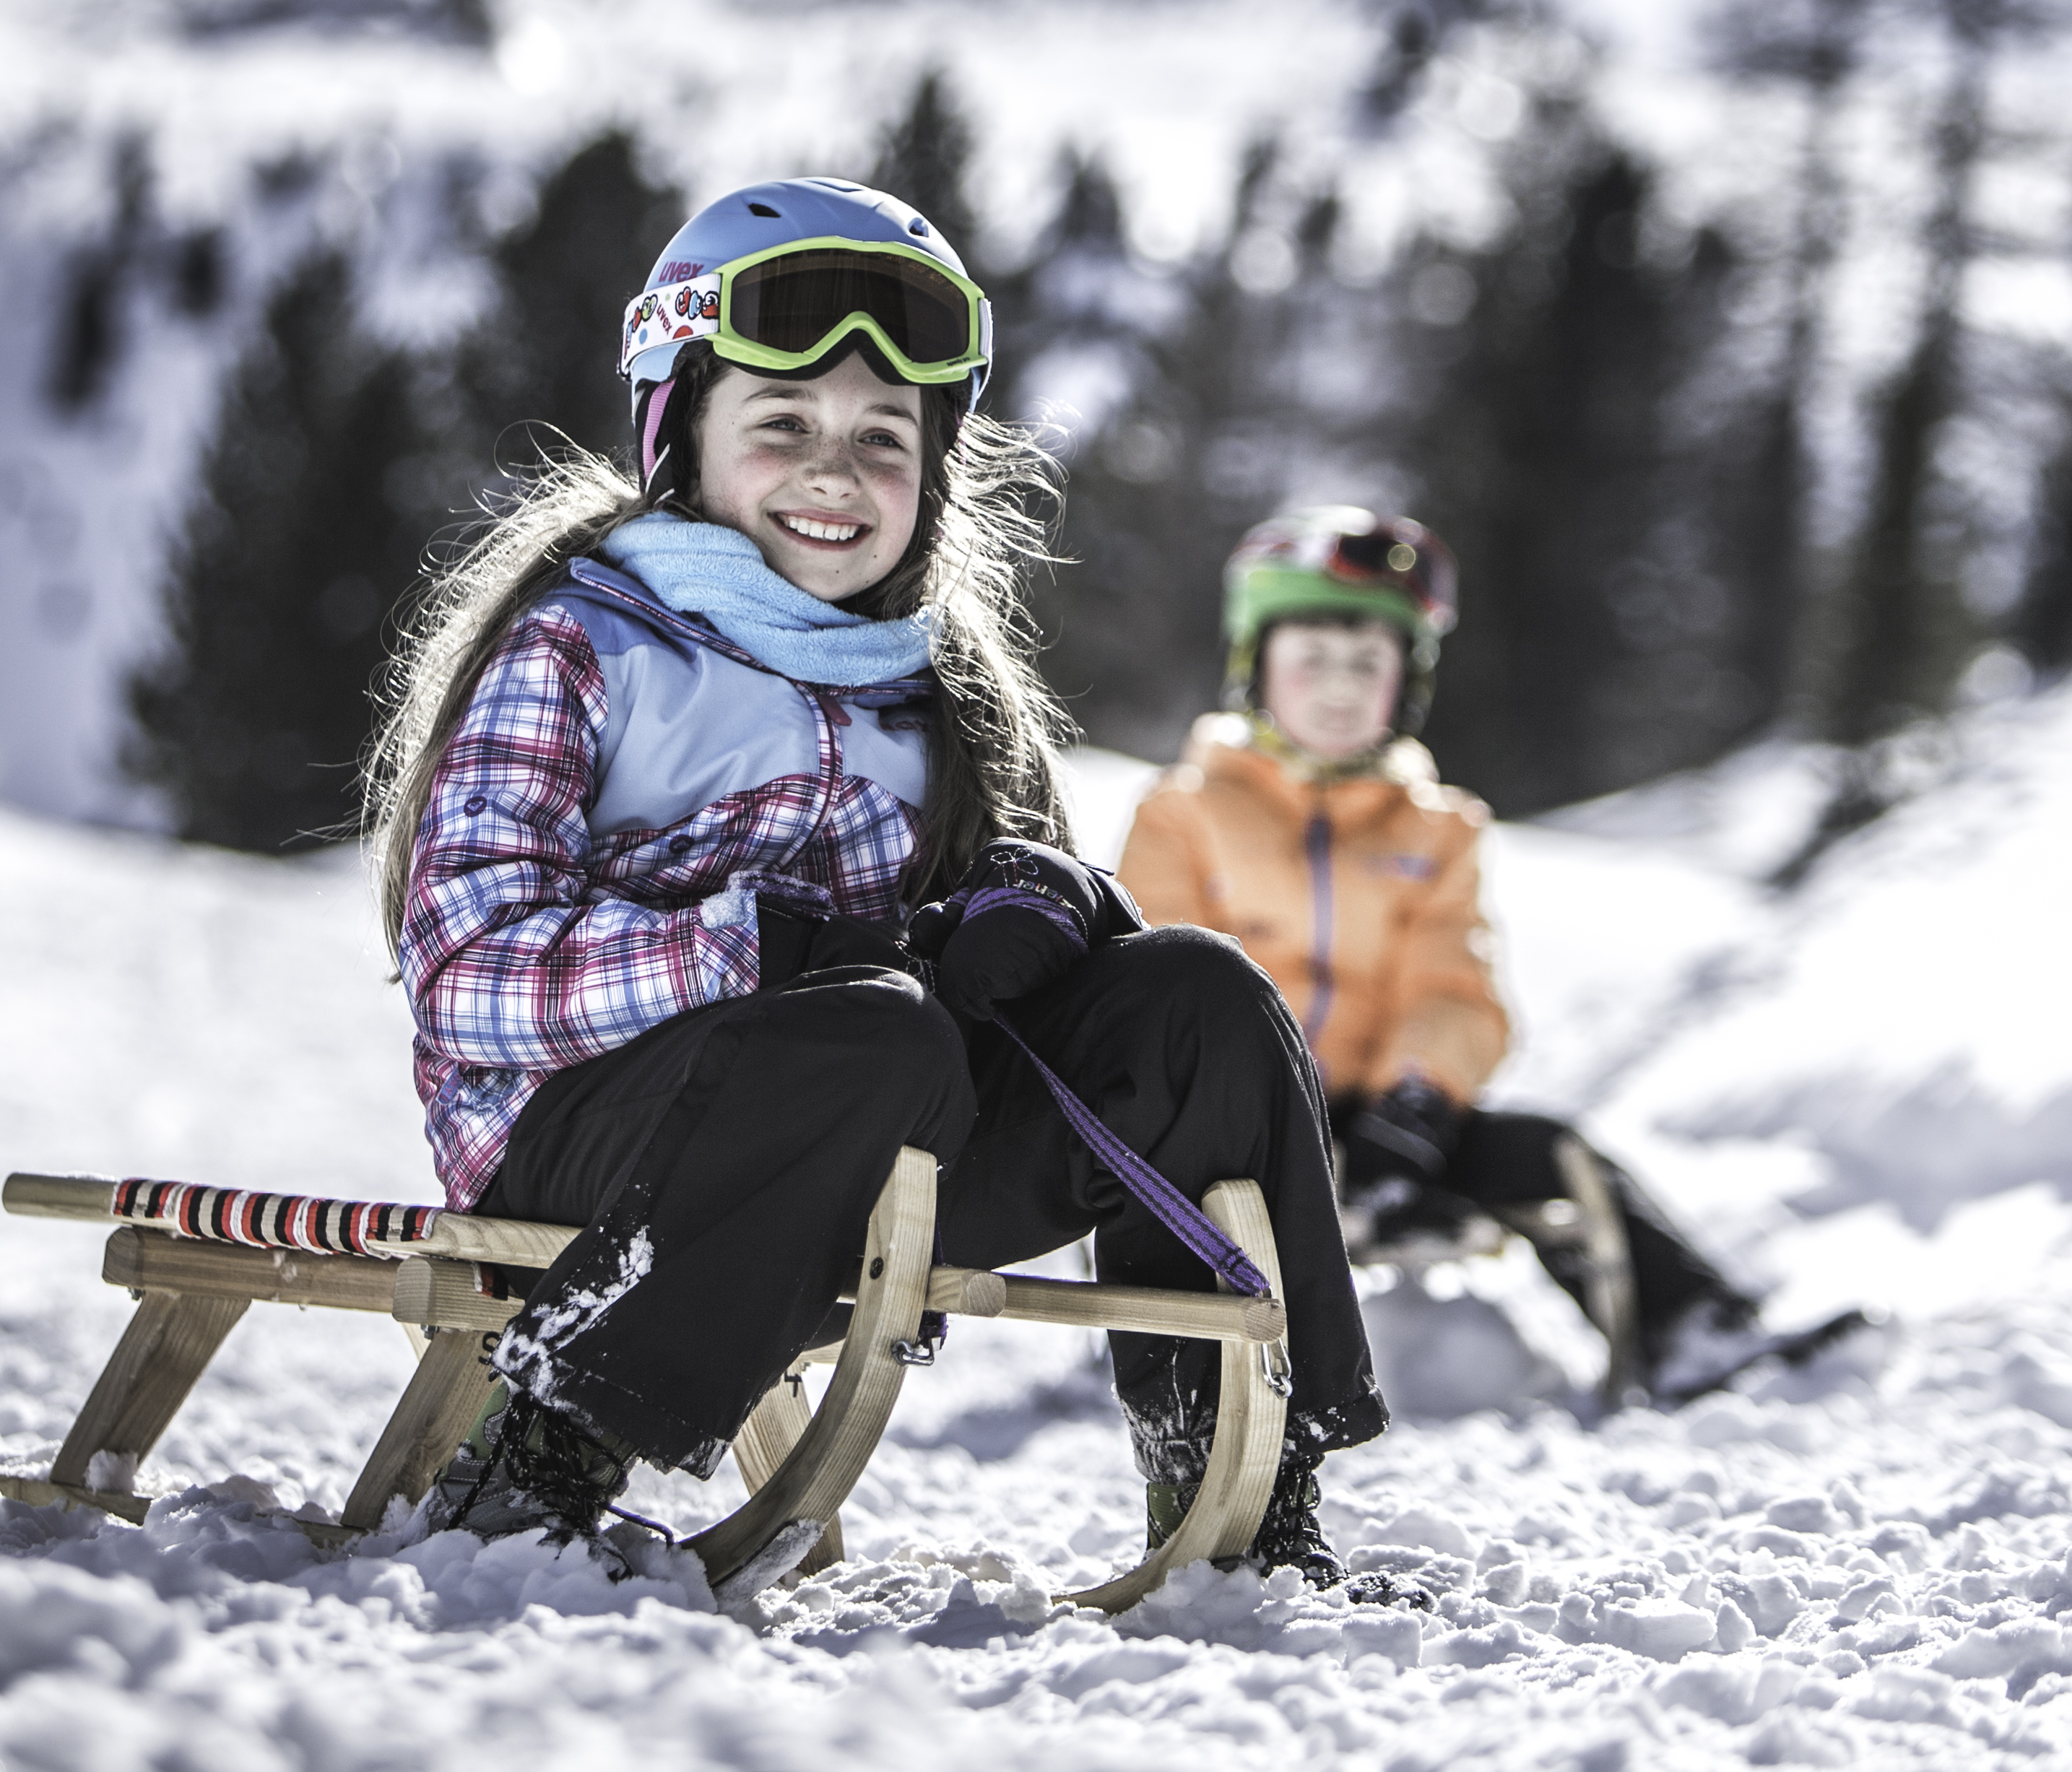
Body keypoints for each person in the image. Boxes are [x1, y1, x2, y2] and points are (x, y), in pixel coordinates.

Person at [363, 181, 1388, 1584]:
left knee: (1192, 997)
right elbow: (468, 977)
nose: (832, 472)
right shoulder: (587, 647)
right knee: (869, 1028)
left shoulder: (944, 694)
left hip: (890, 1134)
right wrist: (759, 948)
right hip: (591, 1143)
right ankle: (546, 1448)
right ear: (681, 434)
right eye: (779, 425)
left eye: (881, 438)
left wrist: (1048, 911)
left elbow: (1022, 949)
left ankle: (1241, 1480)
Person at [1118, 508, 1858, 1404]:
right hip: (1229, 1115)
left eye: (1369, 665)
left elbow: (1450, 981)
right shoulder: (1186, 810)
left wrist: (1414, 1112)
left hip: (1376, 1118)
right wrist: (1252, 1109)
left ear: (1408, 681)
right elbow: (1157, 975)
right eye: (1311, 660)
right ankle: (1180, 1349)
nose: (1340, 688)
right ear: (1256, 667)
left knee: (1545, 1153)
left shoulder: (1437, 829)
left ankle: (1689, 1329)